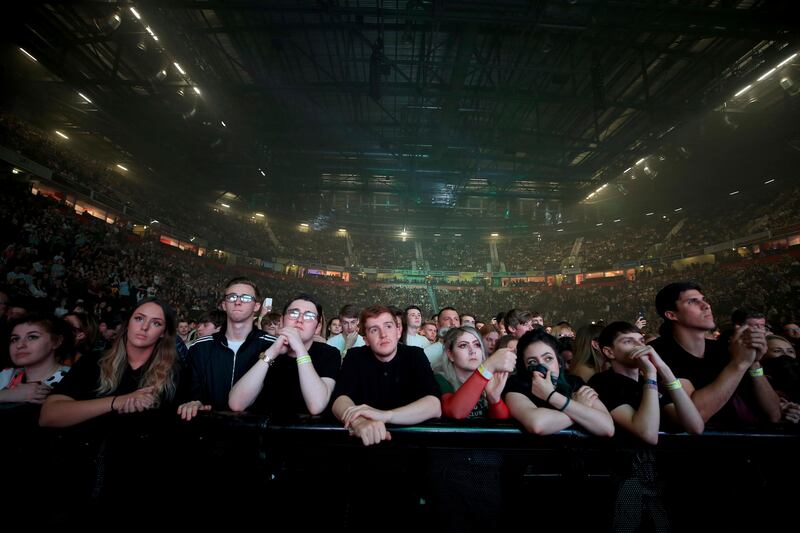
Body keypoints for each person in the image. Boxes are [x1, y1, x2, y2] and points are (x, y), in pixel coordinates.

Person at [649, 282, 781, 426]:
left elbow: (774, 415)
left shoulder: (725, 350)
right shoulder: (658, 353)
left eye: (703, 299)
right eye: (693, 301)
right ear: (671, 315)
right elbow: (696, 416)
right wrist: (738, 364)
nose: (706, 305)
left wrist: (754, 363)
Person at [40, 298, 185, 427]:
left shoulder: (174, 372)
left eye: (156, 323)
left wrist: (193, 405)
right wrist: (117, 402)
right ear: (128, 323)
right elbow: (48, 415)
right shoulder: (94, 361)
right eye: (139, 318)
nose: (144, 327)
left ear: (163, 333)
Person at [332, 304, 441, 446]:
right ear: (366, 340)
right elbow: (339, 400)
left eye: (388, 326)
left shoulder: (415, 355)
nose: (383, 334)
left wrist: (384, 415)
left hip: (411, 447)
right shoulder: (354, 357)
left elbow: (434, 405)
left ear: (398, 331)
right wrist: (358, 421)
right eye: (374, 330)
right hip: (364, 446)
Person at [178, 277, 275, 420]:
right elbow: (188, 390)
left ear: (256, 306)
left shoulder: (272, 346)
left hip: (256, 435)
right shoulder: (200, 347)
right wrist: (195, 401)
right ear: (224, 304)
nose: (238, 301)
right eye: (232, 297)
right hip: (208, 431)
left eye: (246, 298)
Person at [590, 321, 704, 444]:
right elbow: (648, 434)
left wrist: (664, 369)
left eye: (642, 340)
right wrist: (650, 374)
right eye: (628, 341)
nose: (639, 345)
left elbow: (695, 427)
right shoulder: (602, 382)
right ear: (609, 352)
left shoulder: (652, 383)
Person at [229, 294, 340, 418]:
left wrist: (300, 349)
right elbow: (236, 404)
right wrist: (272, 353)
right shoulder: (266, 350)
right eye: (293, 313)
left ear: (317, 327)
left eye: (309, 316)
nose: (299, 320)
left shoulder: (329, 354)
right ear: (282, 321)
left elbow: (316, 405)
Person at [504, 328, 614, 436]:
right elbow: (538, 424)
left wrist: (551, 396)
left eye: (548, 358)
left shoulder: (574, 383)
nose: (543, 366)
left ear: (559, 362)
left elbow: (607, 427)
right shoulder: (516, 385)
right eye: (532, 361)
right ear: (524, 366)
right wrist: (578, 406)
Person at [433, 326, 515, 419]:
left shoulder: (491, 378)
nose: (472, 351)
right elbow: (455, 413)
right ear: (450, 354)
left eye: (477, 345)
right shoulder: (440, 378)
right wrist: (487, 366)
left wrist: (494, 399)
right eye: (463, 345)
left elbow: (502, 424)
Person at [1, 314, 70, 405]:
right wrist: (8, 394)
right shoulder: (7, 375)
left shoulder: (73, 378)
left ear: (56, 341)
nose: (19, 345)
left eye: (32, 337)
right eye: (15, 339)